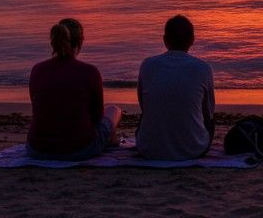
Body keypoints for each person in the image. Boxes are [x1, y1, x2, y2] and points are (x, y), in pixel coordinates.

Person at [26, 17, 122, 160]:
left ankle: (110, 140)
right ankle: (112, 141)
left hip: (37, 149)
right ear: (80, 41)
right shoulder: (90, 72)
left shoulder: (37, 70)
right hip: (79, 149)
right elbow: (97, 116)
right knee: (114, 110)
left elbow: (37, 107)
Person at [136, 14, 215, 160]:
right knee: (210, 123)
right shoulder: (203, 69)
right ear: (192, 40)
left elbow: (144, 106)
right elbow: (208, 113)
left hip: (149, 149)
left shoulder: (147, 65)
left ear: (165, 40)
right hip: (193, 149)